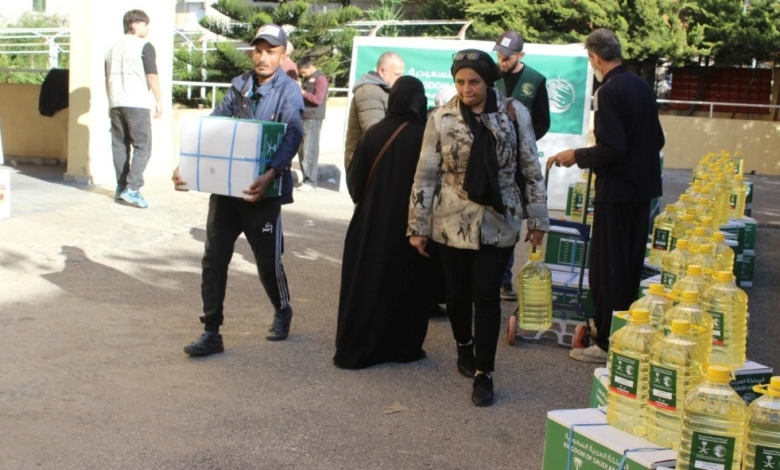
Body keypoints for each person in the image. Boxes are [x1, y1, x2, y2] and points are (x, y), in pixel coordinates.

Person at [407, 50, 549, 407]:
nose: (467, 89)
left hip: (499, 218)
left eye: (474, 82)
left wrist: (538, 219)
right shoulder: (441, 117)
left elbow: (530, 167)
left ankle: (485, 373)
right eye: (460, 82)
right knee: (456, 295)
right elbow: (425, 175)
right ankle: (463, 344)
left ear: (487, 81)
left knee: (486, 295)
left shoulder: (514, 113)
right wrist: (417, 225)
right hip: (451, 218)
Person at [173, 24, 304, 356]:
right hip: (228, 192)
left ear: (282, 56)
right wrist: (186, 165)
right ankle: (211, 331)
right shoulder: (240, 86)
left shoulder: (289, 91)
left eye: (270, 51)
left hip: (264, 194)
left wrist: (271, 173)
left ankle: (282, 309)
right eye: (258, 50)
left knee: (267, 263)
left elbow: (292, 134)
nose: (262, 57)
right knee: (214, 259)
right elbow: (212, 127)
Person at [546, 28, 664, 364]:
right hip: (642, 191)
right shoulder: (641, 85)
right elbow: (657, 139)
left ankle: (605, 343)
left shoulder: (609, 91)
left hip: (617, 191)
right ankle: (625, 338)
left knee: (607, 268)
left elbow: (612, 148)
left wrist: (577, 155)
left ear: (596, 58)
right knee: (628, 266)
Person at [334, 76, 433, 369]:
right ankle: (401, 347)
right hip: (410, 225)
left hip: (370, 223)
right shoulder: (425, 136)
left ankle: (359, 348)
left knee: (368, 282)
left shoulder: (374, 133)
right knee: (405, 284)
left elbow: (355, 184)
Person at [492, 30, 551, 301]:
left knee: (511, 218)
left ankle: (504, 280)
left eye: (508, 57)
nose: (502, 61)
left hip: (517, 161)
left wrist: (522, 140)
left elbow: (543, 121)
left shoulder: (536, 80)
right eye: (499, 56)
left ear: (521, 55)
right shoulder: (489, 76)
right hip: (491, 158)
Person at [105, 9, 162, 209]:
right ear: (134, 24)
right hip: (137, 103)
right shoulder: (144, 46)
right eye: (145, 24)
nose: (147, 28)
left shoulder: (111, 48)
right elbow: (152, 75)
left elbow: (106, 77)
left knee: (120, 146)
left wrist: (110, 102)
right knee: (143, 147)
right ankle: (133, 188)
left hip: (116, 102)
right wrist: (159, 100)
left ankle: (121, 188)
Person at [344, 52, 405, 172]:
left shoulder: (382, 90)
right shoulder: (369, 92)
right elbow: (375, 132)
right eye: (397, 74)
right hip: (365, 165)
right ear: (382, 71)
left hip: (373, 162)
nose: (401, 79)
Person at [296, 56, 329, 191]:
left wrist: (302, 92)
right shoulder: (307, 78)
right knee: (302, 150)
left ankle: (310, 182)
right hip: (304, 116)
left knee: (310, 150)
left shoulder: (320, 79)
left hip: (313, 118)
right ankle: (306, 179)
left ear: (310, 66)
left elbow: (317, 99)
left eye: (304, 72)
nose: (303, 75)